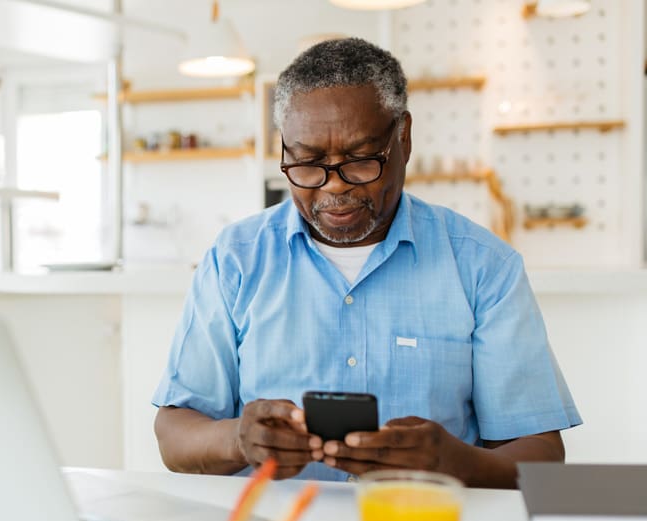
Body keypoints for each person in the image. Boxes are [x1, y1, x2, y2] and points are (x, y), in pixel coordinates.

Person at [151, 37, 581, 488]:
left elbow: (542, 456)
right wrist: (239, 439)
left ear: (404, 138)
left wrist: (454, 462)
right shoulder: (236, 258)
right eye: (308, 163)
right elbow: (173, 435)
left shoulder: (482, 267)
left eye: (360, 161)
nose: (334, 188)